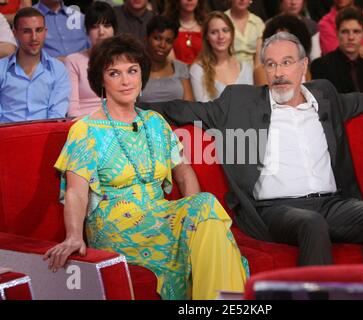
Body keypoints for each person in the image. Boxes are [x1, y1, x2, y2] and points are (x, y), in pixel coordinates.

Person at [143, 31, 363, 266]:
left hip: (332, 204)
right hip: (276, 210)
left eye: (287, 62)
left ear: (303, 66)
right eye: (271, 64)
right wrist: (128, 106)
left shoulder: (324, 95)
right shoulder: (241, 102)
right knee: (312, 225)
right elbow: (182, 109)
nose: (278, 72)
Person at [43, 33, 248, 300]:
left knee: (204, 207)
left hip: (159, 213)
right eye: (114, 73)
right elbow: (77, 191)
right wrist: (73, 236)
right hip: (115, 225)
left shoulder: (155, 122)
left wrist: (195, 220)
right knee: (208, 220)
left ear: (142, 76)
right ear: (101, 81)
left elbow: (184, 172)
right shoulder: (86, 129)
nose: (126, 80)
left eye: (132, 71)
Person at [0, 7, 70, 123]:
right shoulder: (1, 68)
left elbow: (57, 116)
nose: (34, 37)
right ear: (15, 33)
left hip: (45, 136)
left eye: (38, 30)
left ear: (45, 32)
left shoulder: (58, 69)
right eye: (26, 31)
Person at [311, 7, 363, 94]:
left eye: (356, 31)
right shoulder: (321, 66)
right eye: (345, 32)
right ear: (337, 33)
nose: (351, 37)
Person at [64, 1, 117, 118]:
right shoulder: (73, 61)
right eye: (95, 27)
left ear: (114, 30)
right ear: (87, 31)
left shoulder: (123, 61)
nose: (101, 32)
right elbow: (72, 110)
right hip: (84, 125)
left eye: (107, 25)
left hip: (117, 124)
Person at [190, 11, 253, 102]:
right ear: (207, 37)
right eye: (214, 32)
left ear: (232, 34)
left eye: (225, 30)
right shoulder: (198, 70)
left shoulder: (245, 67)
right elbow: (204, 110)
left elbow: (251, 104)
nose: (221, 36)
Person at [140, 15, 194, 103]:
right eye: (157, 38)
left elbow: (190, 106)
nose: (162, 45)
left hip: (179, 116)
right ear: (146, 39)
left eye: (168, 41)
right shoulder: (135, 69)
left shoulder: (180, 67)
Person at [254, 13, 312, 85]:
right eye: (277, 37)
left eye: (287, 38)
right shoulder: (262, 70)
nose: (282, 42)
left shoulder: (304, 68)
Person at [164, 0, 208, 65]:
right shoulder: (166, 26)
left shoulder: (207, 24)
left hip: (204, 72)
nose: (190, 0)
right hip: (176, 72)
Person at [224, 0, 265, 67]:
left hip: (253, 72)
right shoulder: (222, 20)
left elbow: (259, 60)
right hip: (228, 69)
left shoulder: (258, 22)